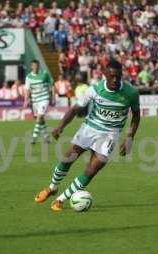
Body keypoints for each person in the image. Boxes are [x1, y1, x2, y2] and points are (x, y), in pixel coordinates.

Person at [34, 60, 141, 211]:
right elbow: (75, 109)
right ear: (105, 75)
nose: (115, 80)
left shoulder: (131, 93)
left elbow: (136, 115)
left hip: (110, 136)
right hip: (89, 130)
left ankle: (61, 199)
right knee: (67, 159)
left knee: (92, 170)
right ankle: (52, 188)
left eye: (118, 76)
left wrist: (130, 137)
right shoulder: (95, 89)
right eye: (112, 77)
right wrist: (61, 126)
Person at [24, 60, 54, 144]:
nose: (35, 67)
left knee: (39, 116)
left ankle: (34, 138)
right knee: (41, 119)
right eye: (34, 66)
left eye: (37, 65)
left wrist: (53, 97)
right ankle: (47, 138)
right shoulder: (28, 77)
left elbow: (51, 84)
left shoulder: (44, 74)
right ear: (31, 66)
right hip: (35, 100)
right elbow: (27, 89)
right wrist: (26, 100)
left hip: (44, 98)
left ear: (39, 66)